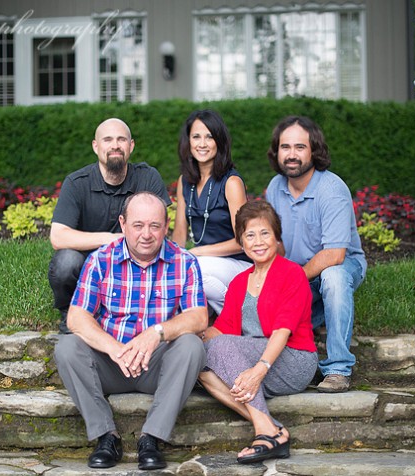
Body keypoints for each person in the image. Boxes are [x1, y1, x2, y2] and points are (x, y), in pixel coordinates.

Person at [53, 191, 208, 470]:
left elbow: (198, 318)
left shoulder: (184, 261)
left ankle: (151, 438)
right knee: (66, 347)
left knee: (192, 346)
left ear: (166, 226)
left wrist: (156, 333)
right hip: (112, 364)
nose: (146, 234)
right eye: (138, 225)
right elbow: (77, 317)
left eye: (154, 226)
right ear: (123, 224)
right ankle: (106, 437)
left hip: (156, 366)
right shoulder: (101, 259)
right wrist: (114, 348)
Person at [199, 200, 317, 465]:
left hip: (292, 360)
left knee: (218, 349)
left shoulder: (292, 274)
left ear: (276, 237)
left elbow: (283, 331)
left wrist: (259, 369)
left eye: (265, 233)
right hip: (253, 363)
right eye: (249, 235)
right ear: (241, 243)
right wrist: (189, 338)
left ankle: (265, 431)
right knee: (197, 364)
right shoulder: (240, 282)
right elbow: (221, 330)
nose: (258, 241)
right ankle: (270, 427)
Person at [265, 115, 367, 393]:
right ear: (277, 152)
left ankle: (337, 370)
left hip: (340, 266)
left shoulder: (331, 190)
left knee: (333, 277)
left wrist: (292, 281)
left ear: (314, 151)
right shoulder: (275, 188)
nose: (292, 155)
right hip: (300, 272)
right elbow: (278, 245)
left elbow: (334, 254)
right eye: (285, 147)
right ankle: (296, 367)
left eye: (300, 147)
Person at [48, 118, 171, 333]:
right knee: (66, 262)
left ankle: (140, 315)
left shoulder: (148, 178)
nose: (115, 145)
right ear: (96, 146)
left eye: (121, 139)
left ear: (131, 146)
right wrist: (110, 239)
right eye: (108, 139)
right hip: (91, 264)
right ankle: (73, 313)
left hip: (136, 261)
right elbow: (58, 237)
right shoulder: (77, 183)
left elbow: (161, 228)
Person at [172, 110, 250, 316]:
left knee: (194, 269)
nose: (202, 143)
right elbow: (180, 234)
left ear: (219, 142)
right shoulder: (184, 181)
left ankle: (240, 316)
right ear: (188, 141)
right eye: (196, 136)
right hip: (206, 263)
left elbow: (243, 241)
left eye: (209, 137)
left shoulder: (232, 183)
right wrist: (169, 258)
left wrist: (197, 252)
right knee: (175, 270)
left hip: (238, 264)